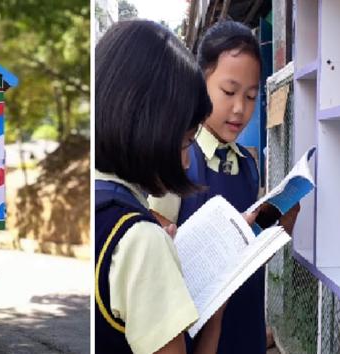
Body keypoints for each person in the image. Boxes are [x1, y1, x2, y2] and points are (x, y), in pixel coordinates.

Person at [95, 20, 258, 354]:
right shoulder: (141, 240)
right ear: (150, 127)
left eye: (252, 96)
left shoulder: (95, 201)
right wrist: (214, 318)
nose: (185, 162)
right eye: (185, 142)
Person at [149, 20, 300, 354]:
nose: (240, 109)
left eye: (250, 96)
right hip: (195, 333)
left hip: (244, 324)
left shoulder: (247, 165)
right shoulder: (179, 161)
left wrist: (277, 227)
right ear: (200, 83)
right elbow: (155, 247)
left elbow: (246, 241)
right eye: (229, 92)